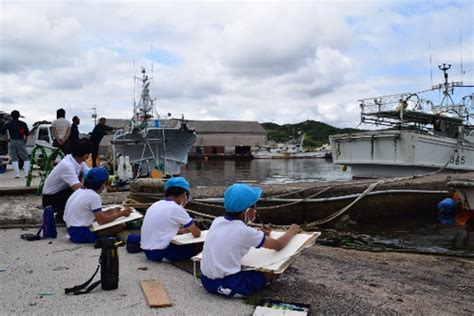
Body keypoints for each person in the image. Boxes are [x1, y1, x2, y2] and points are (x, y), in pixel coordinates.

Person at [200, 183, 301, 298]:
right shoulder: (244, 232)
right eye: (254, 208)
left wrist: (259, 233)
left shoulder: (217, 221)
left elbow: (236, 233)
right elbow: (278, 245)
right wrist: (291, 231)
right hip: (228, 285)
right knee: (272, 272)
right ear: (248, 212)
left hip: (206, 281)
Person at [140, 177, 201, 262]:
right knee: (199, 245)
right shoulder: (176, 208)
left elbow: (160, 226)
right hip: (161, 253)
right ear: (183, 194)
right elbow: (197, 233)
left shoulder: (155, 204)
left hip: (148, 252)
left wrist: (179, 231)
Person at [64, 167, 131, 243]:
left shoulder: (83, 192)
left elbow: (95, 215)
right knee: (120, 226)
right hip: (81, 233)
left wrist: (111, 211)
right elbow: (101, 221)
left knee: (115, 223)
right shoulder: (94, 196)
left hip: (73, 230)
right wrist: (121, 214)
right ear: (103, 184)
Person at [42, 139, 91, 221]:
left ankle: (64, 214)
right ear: (86, 156)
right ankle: (65, 215)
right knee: (82, 192)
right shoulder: (67, 165)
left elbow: (90, 174)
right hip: (50, 199)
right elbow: (77, 187)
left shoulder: (78, 161)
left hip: (60, 193)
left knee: (86, 189)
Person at [0, 110, 29, 178]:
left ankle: (17, 174)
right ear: (19, 116)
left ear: (11, 116)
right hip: (21, 141)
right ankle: (26, 174)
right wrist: (25, 139)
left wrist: (8, 139)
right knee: (26, 158)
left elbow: (2, 132)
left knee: (14, 158)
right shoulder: (23, 123)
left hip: (12, 141)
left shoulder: (8, 123)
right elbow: (26, 133)